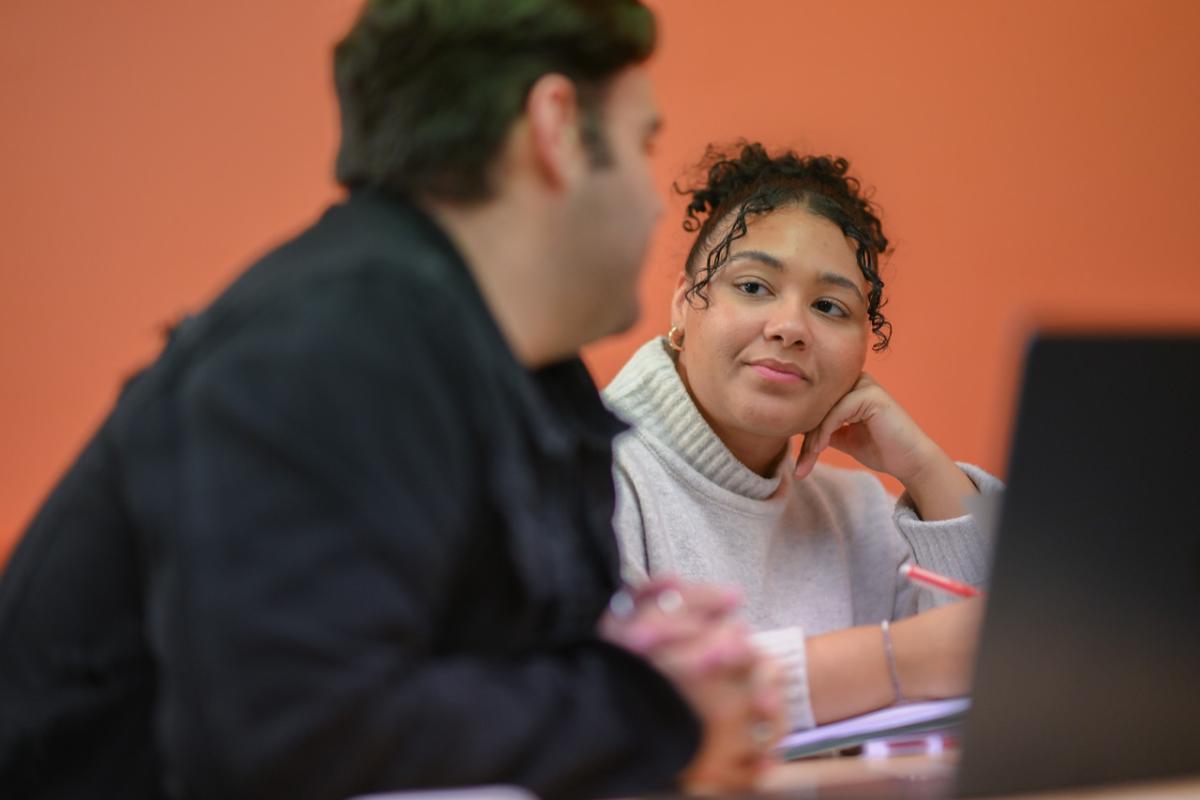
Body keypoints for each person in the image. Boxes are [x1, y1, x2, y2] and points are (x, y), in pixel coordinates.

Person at [0, 5, 784, 799]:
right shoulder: (331, 339)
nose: (655, 205)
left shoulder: (512, 364)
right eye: (643, 144)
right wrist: (652, 714)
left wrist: (635, 651)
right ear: (554, 129)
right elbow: (289, 732)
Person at [604, 141, 1004, 731]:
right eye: (753, 287)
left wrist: (924, 468)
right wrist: (896, 661)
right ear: (686, 305)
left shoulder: (857, 514)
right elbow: (613, 707)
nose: (790, 327)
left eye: (828, 305)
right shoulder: (586, 475)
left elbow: (1011, 660)